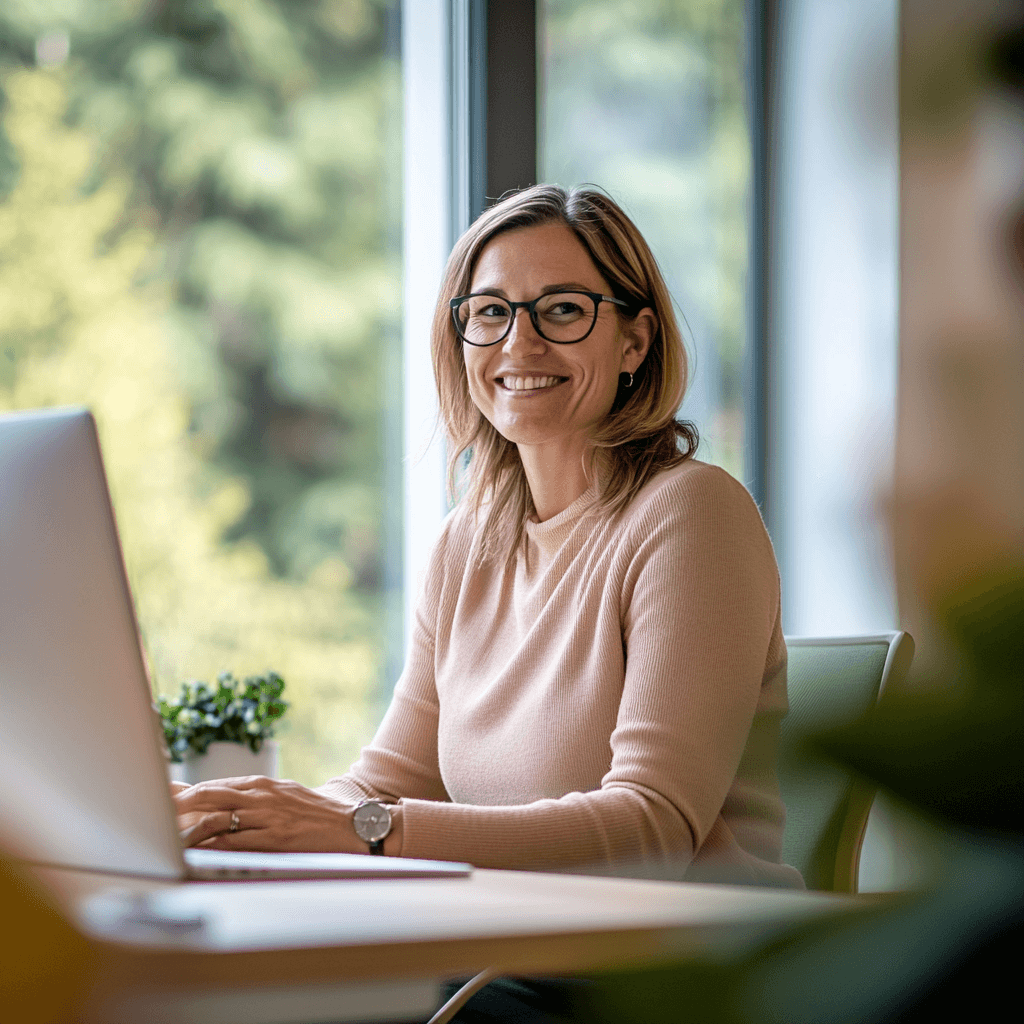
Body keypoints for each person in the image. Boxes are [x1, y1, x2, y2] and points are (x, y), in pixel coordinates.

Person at [175, 184, 802, 890]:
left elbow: (652, 829)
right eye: (491, 312)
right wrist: (225, 816)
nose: (519, 343)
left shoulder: (691, 512)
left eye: (563, 309)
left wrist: (365, 830)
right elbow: (385, 782)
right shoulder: (465, 545)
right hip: (509, 938)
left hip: (681, 952)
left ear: (635, 341)